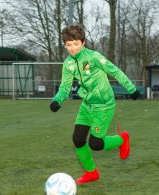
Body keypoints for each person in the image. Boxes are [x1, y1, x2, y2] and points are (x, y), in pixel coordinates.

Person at [50, 24, 140, 184]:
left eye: (76, 43)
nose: (72, 48)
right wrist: (57, 100)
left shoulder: (94, 57)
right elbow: (65, 86)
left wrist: (131, 88)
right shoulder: (68, 64)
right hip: (86, 105)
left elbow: (115, 71)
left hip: (104, 105)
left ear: (83, 42)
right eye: (69, 45)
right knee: (78, 139)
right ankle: (91, 173)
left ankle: (122, 139)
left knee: (96, 144)